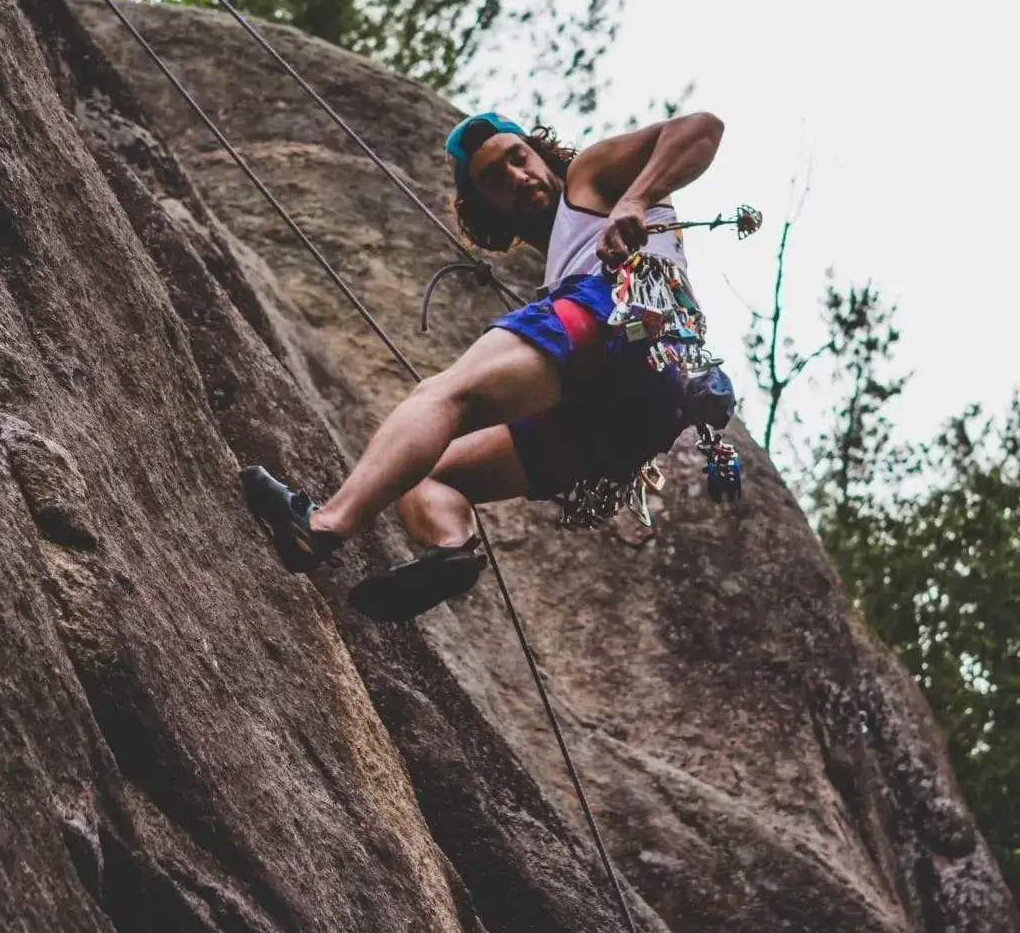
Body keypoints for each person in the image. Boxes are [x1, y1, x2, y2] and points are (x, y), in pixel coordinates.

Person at [241, 109, 729, 620]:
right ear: (487, 208)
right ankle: (449, 549)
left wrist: (635, 196)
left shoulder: (591, 177)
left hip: (619, 326)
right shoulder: (565, 251)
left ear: (539, 153)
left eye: (518, 158)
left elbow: (701, 128)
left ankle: (322, 524)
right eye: (495, 180)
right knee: (426, 472)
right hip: (631, 419)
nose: (517, 177)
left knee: (444, 396)